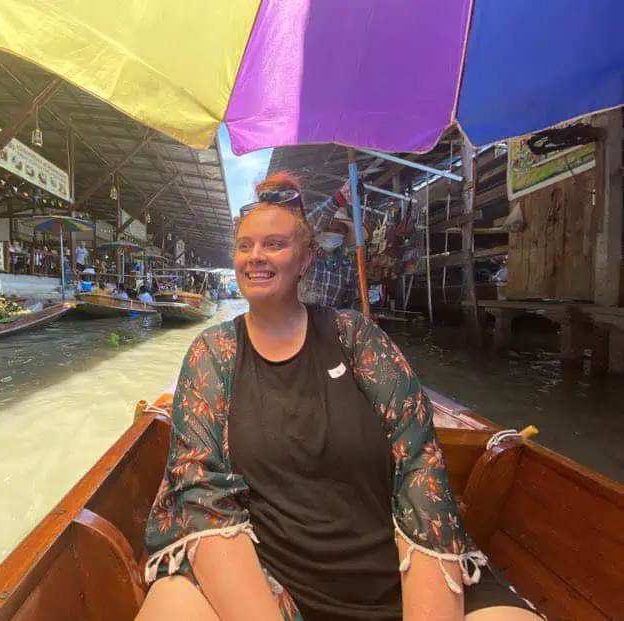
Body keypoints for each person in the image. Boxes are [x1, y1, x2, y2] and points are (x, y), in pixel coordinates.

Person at [136, 174, 541, 621]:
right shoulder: (213, 354)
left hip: (397, 569)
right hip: (269, 581)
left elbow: (419, 464)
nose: (255, 257)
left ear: (306, 259)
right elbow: (198, 494)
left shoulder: (357, 336)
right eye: (245, 245)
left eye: (274, 244)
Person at [295, 175, 368, 309]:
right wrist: (337, 201)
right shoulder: (305, 258)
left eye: (337, 230)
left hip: (332, 326)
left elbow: (353, 303)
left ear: (344, 235)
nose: (331, 232)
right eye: (327, 228)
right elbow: (303, 230)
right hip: (300, 324)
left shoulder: (350, 267)